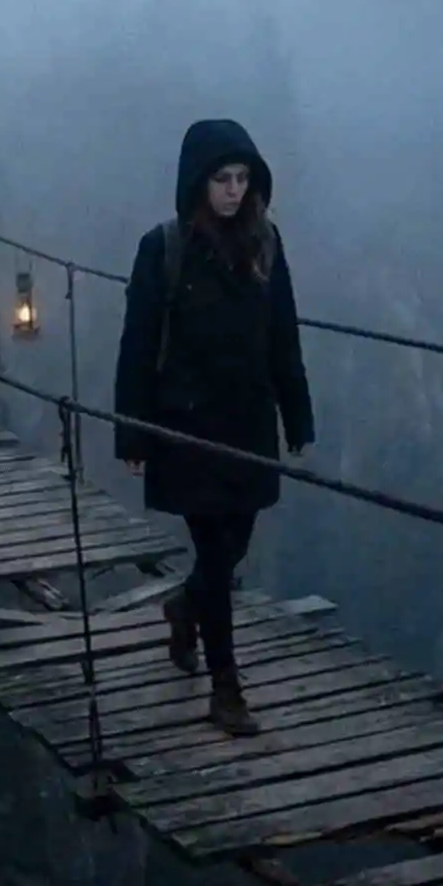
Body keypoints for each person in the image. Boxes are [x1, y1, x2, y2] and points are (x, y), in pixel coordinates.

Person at [113, 118, 314, 738]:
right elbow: (139, 344)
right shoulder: (165, 249)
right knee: (214, 548)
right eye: (221, 178)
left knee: (233, 548)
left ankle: (186, 605)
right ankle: (226, 689)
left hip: (249, 423)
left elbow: (283, 334)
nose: (232, 190)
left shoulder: (266, 244)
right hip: (188, 428)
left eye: (241, 178)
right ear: (198, 182)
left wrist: (297, 414)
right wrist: (133, 431)